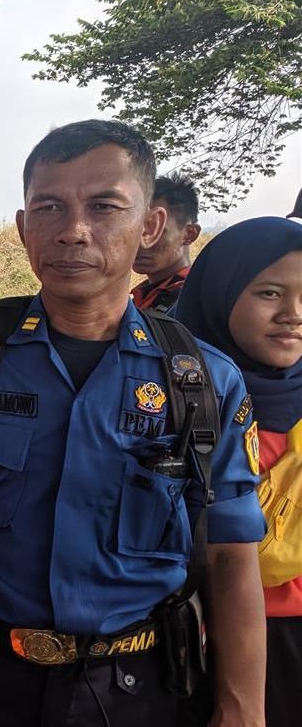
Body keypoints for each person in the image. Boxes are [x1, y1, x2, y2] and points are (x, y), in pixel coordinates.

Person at [0, 120, 267, 726]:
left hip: (139, 689)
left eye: (104, 207)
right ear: (25, 228)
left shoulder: (202, 380)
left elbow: (231, 553)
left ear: (150, 226)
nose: (73, 231)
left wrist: (241, 706)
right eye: (49, 207)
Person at [175, 216, 302, 727]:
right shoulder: (172, 394)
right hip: (202, 638)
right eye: (270, 293)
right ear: (221, 293)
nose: (293, 315)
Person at [131, 172, 201, 312]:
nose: (140, 242)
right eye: (133, 230)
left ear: (189, 234)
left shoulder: (194, 299)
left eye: (156, 231)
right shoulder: (145, 295)